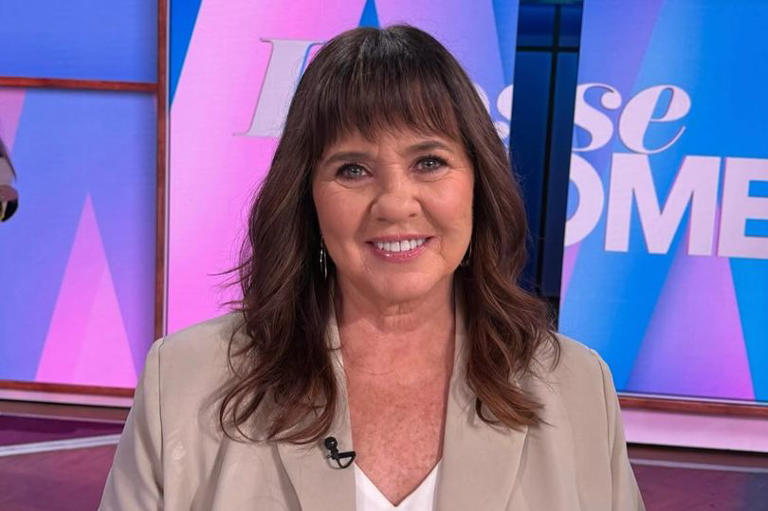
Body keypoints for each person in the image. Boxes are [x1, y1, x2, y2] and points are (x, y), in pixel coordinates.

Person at [100, 25, 645, 510]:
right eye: (353, 169)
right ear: (307, 198)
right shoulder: (186, 380)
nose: (395, 203)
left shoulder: (576, 387)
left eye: (429, 162)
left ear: (479, 184)